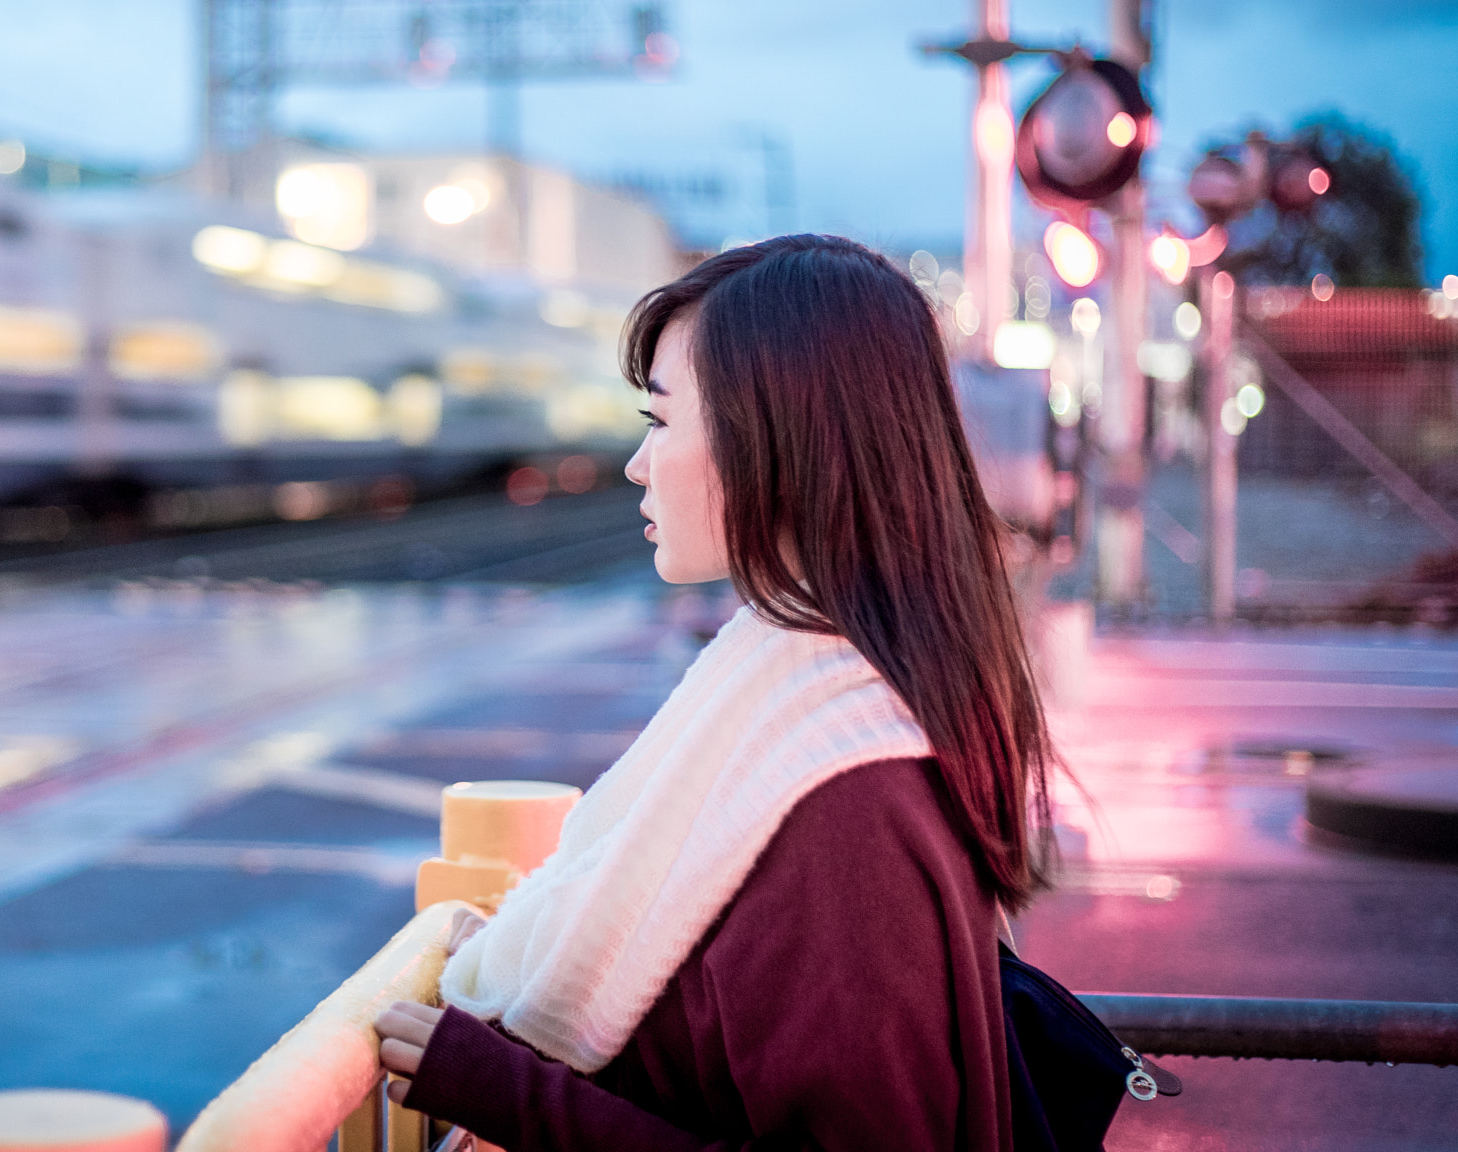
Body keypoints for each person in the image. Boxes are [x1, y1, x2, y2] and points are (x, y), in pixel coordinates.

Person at [372, 235, 1054, 1151]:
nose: (636, 466)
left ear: (778, 436)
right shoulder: (816, 695)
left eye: (660, 421)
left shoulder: (847, 797)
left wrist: (510, 1093)